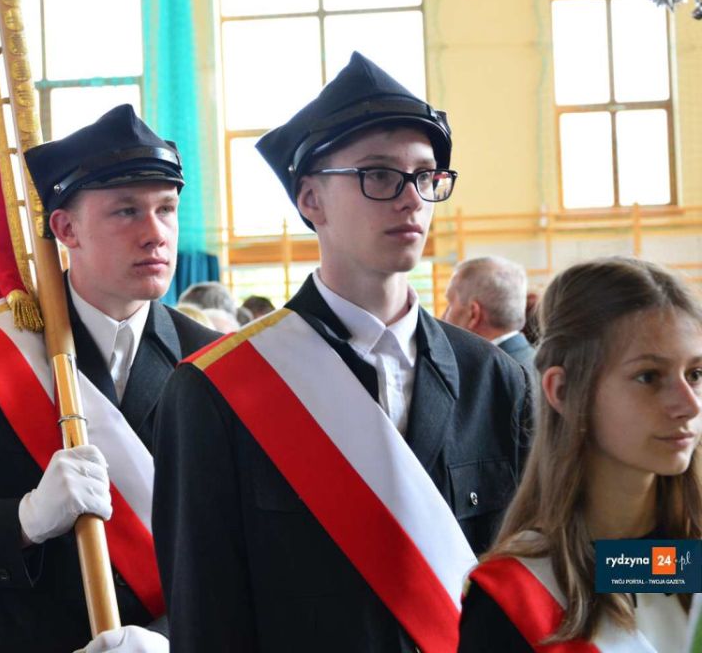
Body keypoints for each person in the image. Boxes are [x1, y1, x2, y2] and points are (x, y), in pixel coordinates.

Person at [152, 52, 533, 652]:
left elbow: (528, 578)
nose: (412, 199)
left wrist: (667, 564)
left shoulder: (494, 378)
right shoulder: (219, 390)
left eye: (425, 176)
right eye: (379, 175)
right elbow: (206, 614)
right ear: (311, 199)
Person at [0, 105, 219, 653]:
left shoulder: (210, 358)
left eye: (166, 209)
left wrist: (166, 640)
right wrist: (24, 520)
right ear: (65, 228)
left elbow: (244, 545)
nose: (155, 234)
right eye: (126, 211)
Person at [461, 257, 702, 652]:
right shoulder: (512, 598)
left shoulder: (679, 563)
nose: (689, 405)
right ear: (563, 391)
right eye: (649, 376)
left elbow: (622, 566)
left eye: (695, 374)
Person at [443, 256, 536, 370]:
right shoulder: (537, 362)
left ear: (473, 314)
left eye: (450, 304)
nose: (443, 317)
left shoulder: (486, 375)